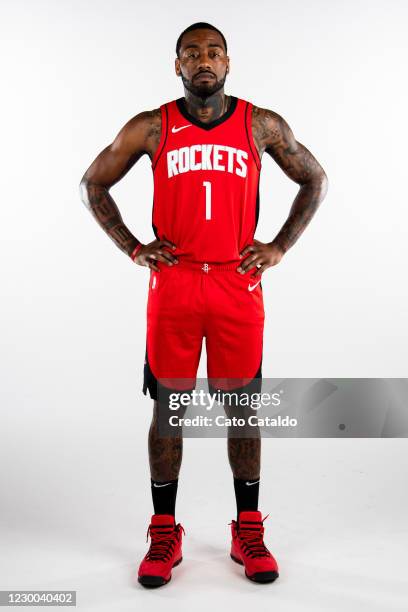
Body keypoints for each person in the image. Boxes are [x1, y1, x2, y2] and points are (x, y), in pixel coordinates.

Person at [79, 21, 328, 588]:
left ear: (229, 62)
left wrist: (280, 246)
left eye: (213, 51)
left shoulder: (261, 124)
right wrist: (135, 248)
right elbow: (94, 183)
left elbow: (314, 179)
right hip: (176, 282)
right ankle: (164, 530)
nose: (203, 60)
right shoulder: (151, 126)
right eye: (191, 53)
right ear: (177, 66)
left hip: (237, 284)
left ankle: (248, 527)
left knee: (243, 410)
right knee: (169, 409)